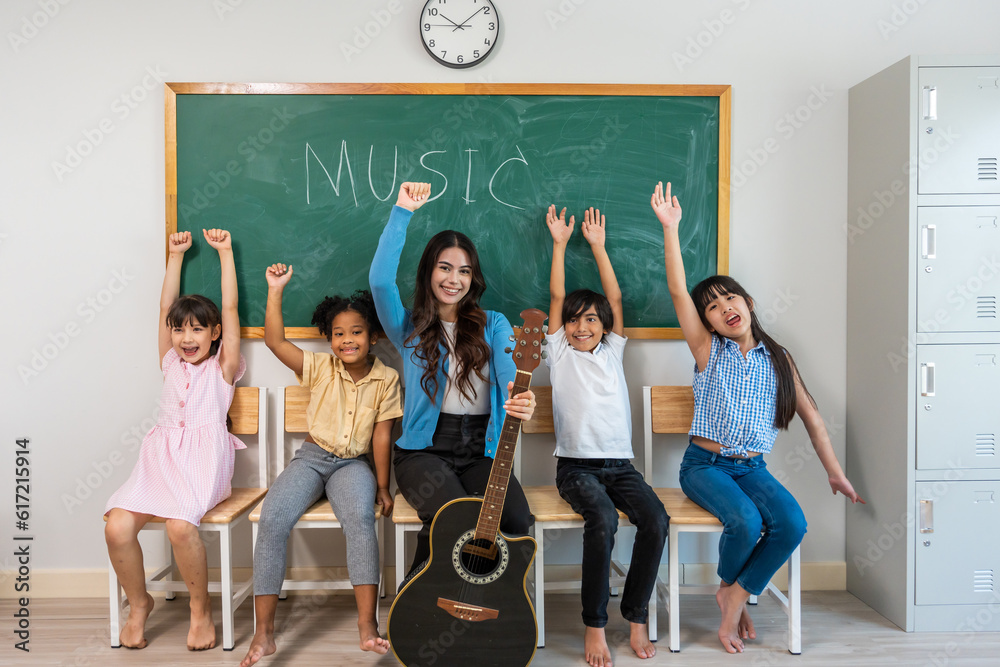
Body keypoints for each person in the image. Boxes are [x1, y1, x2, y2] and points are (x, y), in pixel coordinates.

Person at [651, 181, 865, 653]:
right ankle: (733, 601)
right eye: (712, 305)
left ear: (748, 304)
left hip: (752, 467)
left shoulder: (779, 358)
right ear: (705, 322)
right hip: (704, 467)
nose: (723, 307)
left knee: (792, 523)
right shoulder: (709, 350)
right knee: (746, 522)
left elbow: (812, 419)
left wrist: (836, 474)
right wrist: (671, 229)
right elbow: (675, 288)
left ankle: (734, 592)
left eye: (730, 298)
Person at [369, 181, 536, 578]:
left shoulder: (492, 323)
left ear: (472, 278)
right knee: (454, 520)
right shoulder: (407, 326)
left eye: (463, 271)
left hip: (482, 450)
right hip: (424, 451)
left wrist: (518, 394)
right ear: (429, 271)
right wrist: (402, 212)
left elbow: (508, 369)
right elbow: (379, 282)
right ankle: (419, 606)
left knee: (514, 522)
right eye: (445, 268)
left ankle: (485, 603)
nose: (453, 279)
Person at [240, 267, 402, 666]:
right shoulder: (319, 367)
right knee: (273, 518)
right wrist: (274, 291)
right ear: (329, 341)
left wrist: (383, 486)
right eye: (339, 334)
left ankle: (368, 626)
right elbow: (275, 341)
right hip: (311, 459)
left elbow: (382, 437)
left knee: (361, 520)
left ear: (374, 337)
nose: (347, 340)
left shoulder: (387, 379)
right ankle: (264, 634)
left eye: (357, 331)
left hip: (353, 466)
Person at [104, 228, 244, 651]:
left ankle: (200, 612)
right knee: (117, 526)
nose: (187, 339)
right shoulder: (169, 360)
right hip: (159, 461)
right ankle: (139, 602)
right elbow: (165, 305)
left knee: (181, 527)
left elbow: (233, 308)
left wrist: (224, 254)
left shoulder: (223, 368)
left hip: (204, 463)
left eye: (198, 330)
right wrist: (175, 257)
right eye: (180, 331)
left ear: (215, 333)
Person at [544, 205, 669, 667]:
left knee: (655, 520)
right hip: (576, 467)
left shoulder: (613, 351)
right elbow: (556, 296)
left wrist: (598, 247)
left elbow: (615, 299)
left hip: (621, 465)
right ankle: (594, 625)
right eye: (575, 320)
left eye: (591, 319)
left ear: (604, 327)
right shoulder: (558, 351)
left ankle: (636, 615)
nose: (582, 326)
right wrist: (559, 244)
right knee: (604, 521)